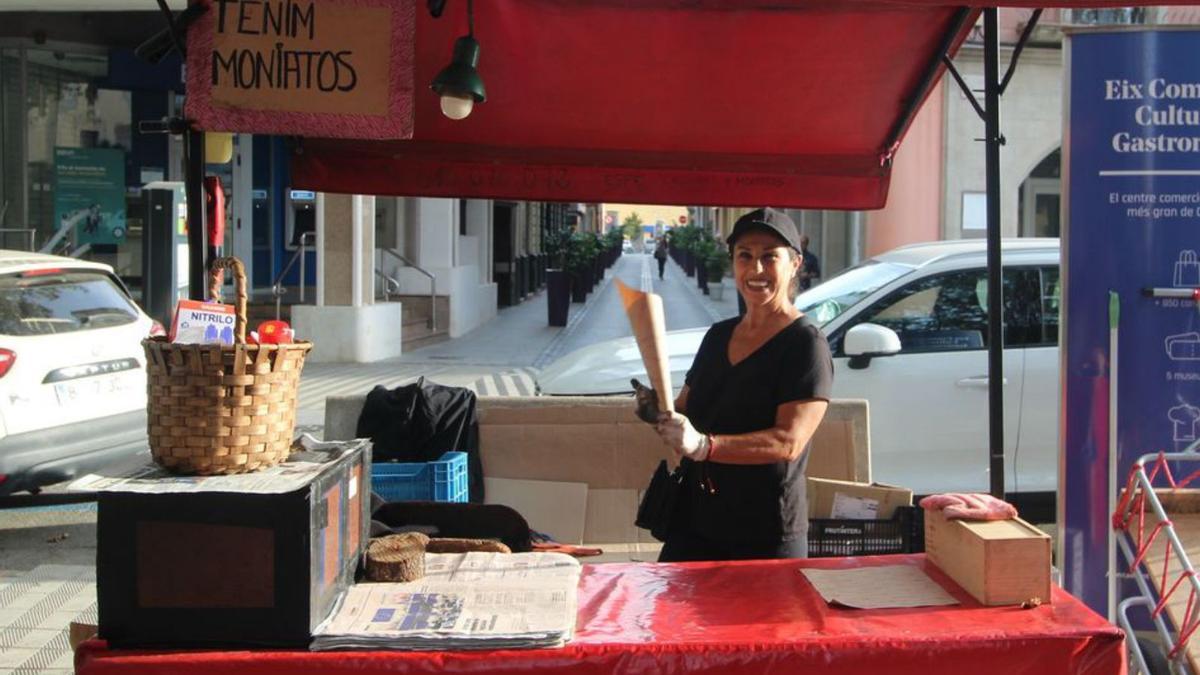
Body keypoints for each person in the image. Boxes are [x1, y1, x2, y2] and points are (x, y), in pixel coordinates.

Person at [641, 207, 833, 562]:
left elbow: (788, 441)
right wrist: (657, 410)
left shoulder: (805, 344)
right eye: (745, 256)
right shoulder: (718, 336)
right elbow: (686, 407)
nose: (756, 269)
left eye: (769, 257)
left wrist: (704, 446)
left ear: (795, 264)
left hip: (764, 532)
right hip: (695, 521)